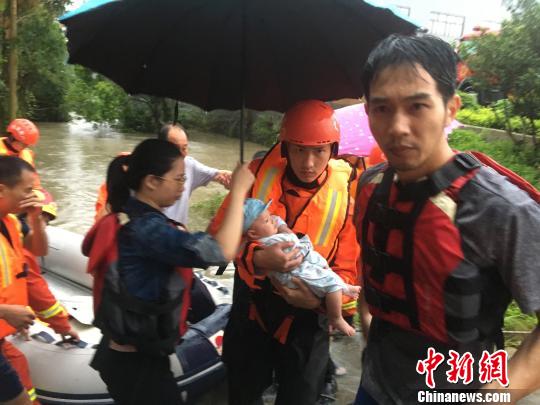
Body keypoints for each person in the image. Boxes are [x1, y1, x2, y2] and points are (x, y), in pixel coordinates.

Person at [354, 33, 540, 404]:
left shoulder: (502, 210)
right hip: (374, 388)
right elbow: (372, 268)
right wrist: (368, 323)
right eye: (382, 108)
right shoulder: (371, 186)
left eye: (417, 106)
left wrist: (493, 397)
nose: (398, 127)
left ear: (451, 108)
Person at [208, 99, 360, 404]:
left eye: (319, 151)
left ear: (333, 150)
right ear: (284, 147)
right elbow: (216, 243)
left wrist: (317, 301)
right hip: (253, 309)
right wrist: (256, 258)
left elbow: (347, 274)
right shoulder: (254, 177)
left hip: (308, 320)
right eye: (299, 150)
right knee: (242, 392)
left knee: (301, 395)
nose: (308, 163)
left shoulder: (345, 195)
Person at [82, 139, 253, 405]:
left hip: (129, 356)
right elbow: (219, 252)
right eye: (179, 178)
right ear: (152, 181)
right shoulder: (147, 230)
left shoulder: (131, 215)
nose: (183, 185)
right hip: (135, 365)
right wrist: (239, 192)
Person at [243, 198, 360, 336]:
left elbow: (347, 261)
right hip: (283, 289)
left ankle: (343, 290)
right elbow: (292, 239)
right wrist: (256, 256)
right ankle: (336, 317)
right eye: (268, 220)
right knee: (331, 283)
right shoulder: (273, 238)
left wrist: (319, 303)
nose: (273, 220)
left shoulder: (345, 200)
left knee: (329, 279)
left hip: (309, 307)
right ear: (252, 233)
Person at [0, 156, 49, 404]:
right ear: (2, 190)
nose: (34, 195)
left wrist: (36, 219)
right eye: (28, 190)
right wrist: (5, 311)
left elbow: (39, 249)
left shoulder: (10, 222)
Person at [158, 123, 232, 225]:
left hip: (178, 232)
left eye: (184, 148)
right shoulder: (145, 169)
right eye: (175, 149)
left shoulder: (189, 165)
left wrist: (233, 180)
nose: (181, 154)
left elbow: (219, 174)